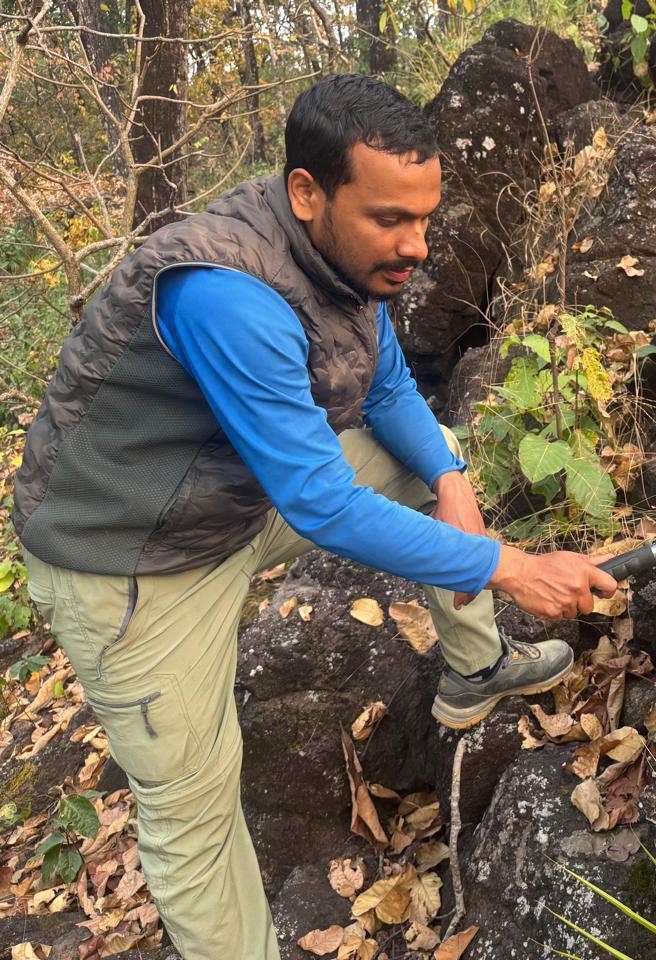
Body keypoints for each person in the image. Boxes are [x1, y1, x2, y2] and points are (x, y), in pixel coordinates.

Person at [12, 74, 616, 959]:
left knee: (428, 462)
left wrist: (450, 475)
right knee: (193, 811)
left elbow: (390, 384)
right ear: (307, 192)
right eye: (389, 220)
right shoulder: (228, 292)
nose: (414, 246)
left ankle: (474, 670)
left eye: (425, 218)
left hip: (235, 492)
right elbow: (321, 503)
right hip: (133, 561)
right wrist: (510, 566)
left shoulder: (348, 251)